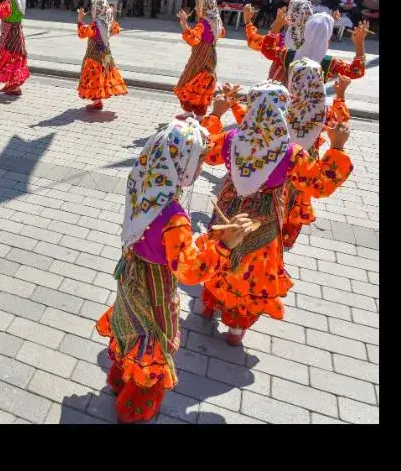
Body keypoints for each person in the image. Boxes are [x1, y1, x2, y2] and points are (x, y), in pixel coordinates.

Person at [98, 117, 253, 423]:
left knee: (130, 326)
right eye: (198, 163)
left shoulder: (145, 184)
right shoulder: (173, 216)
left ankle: (119, 379)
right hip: (155, 284)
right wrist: (224, 245)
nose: (200, 170)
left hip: (133, 275)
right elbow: (190, 272)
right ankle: (134, 410)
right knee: (153, 340)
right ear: (181, 164)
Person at [199, 83, 354, 345]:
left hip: (228, 210)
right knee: (251, 270)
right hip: (264, 220)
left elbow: (204, 150)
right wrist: (336, 148)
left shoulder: (231, 138)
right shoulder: (290, 152)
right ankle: (236, 331)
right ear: (283, 111)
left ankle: (210, 304)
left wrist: (217, 114)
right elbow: (318, 185)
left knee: (222, 254)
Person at [282, 59, 352, 248]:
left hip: (277, 164)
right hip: (306, 165)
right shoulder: (323, 112)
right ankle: (283, 242)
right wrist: (340, 95)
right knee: (295, 202)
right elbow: (343, 122)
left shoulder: (279, 106)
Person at [244, 7, 367, 85]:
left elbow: (265, 49)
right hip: (310, 114)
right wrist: (359, 44)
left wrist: (275, 26)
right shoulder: (330, 63)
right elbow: (356, 72)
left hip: (283, 103)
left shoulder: (286, 52)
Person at [174, 0, 224, 116]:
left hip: (199, 57)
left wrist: (184, 25)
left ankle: (191, 113)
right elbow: (221, 33)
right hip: (210, 55)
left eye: (197, 4)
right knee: (203, 85)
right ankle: (196, 114)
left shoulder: (204, 23)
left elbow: (193, 39)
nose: (196, 7)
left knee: (189, 81)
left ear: (204, 5)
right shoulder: (216, 19)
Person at [76, 0, 127, 111]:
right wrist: (111, 16)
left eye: (94, 8)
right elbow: (116, 29)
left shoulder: (96, 24)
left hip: (94, 55)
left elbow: (83, 33)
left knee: (95, 76)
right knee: (104, 74)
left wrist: (80, 20)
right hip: (106, 53)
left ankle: (97, 102)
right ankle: (98, 101)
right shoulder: (107, 22)